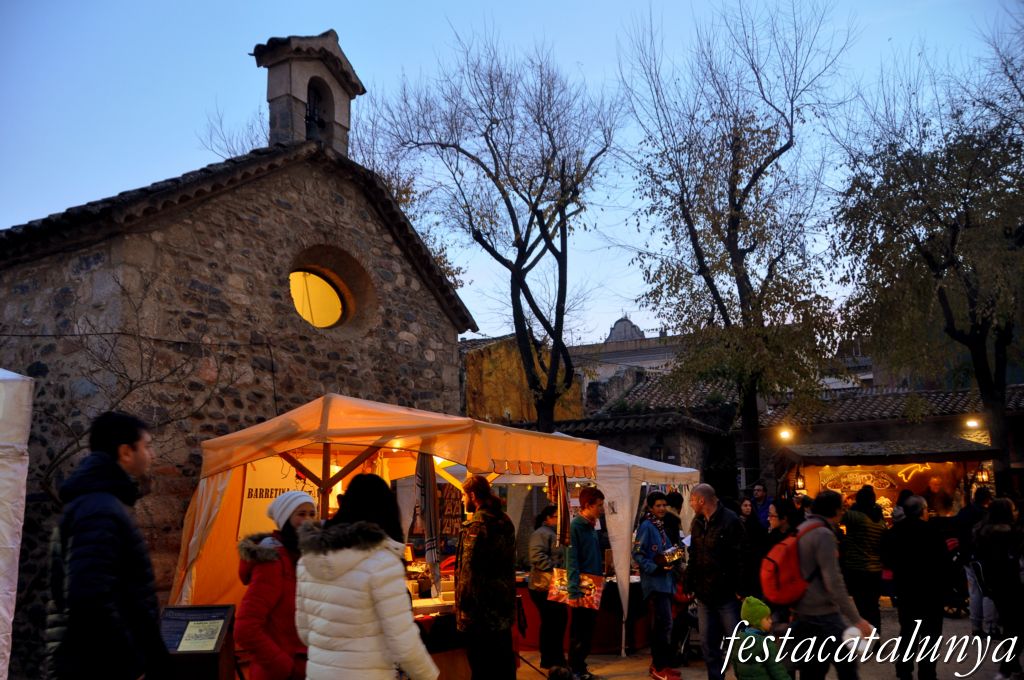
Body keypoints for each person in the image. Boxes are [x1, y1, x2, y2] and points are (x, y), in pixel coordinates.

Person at [45, 411, 168, 680]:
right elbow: (90, 597)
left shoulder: (97, 504)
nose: (152, 455)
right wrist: (130, 661)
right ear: (126, 452)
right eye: (146, 446)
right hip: (105, 667)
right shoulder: (99, 509)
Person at [295, 473, 438, 680]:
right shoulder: (382, 563)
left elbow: (304, 631)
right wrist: (429, 676)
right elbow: (404, 642)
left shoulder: (309, 559)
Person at [791, 490, 873, 680]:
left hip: (802, 611)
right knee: (847, 665)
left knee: (812, 670)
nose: (843, 512)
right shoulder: (824, 534)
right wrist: (857, 619)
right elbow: (833, 581)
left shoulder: (804, 528)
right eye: (842, 508)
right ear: (835, 510)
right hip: (824, 612)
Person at [236, 491, 316, 680]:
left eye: (312, 514)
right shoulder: (272, 563)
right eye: (301, 514)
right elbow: (246, 628)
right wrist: (284, 666)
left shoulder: (307, 558)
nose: (308, 520)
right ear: (285, 518)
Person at [455, 475, 517, 680]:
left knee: (482, 668)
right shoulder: (505, 520)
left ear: (472, 495)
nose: (463, 500)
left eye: (464, 495)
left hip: (480, 613)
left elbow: (468, 570)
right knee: (503, 666)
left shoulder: (477, 525)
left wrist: (463, 610)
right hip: (502, 609)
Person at [880, 495, 946, 680]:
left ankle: (904, 669)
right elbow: (943, 561)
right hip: (931, 591)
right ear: (923, 511)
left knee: (908, 631)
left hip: (905, 589)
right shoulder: (932, 531)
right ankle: (927, 672)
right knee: (930, 633)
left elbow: (886, 560)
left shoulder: (893, 533)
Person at [684, 483, 743, 680]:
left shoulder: (730, 521)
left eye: (692, 500)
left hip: (726, 593)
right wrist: (689, 579)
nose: (691, 504)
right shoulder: (698, 523)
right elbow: (694, 554)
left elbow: (740, 556)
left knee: (737, 642)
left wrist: (740, 587)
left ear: (702, 500)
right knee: (708, 644)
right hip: (704, 593)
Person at [974, 498, 1023, 679]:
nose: (1016, 512)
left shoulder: (983, 533)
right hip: (1013, 585)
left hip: (996, 586)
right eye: (1013, 509)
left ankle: (1012, 666)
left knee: (1011, 625)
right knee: (1015, 627)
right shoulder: (1011, 535)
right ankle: (1006, 667)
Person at [633, 492, 679, 680]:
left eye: (664, 505)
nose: (662, 509)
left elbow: (665, 550)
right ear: (651, 507)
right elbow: (637, 553)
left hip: (666, 582)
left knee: (666, 625)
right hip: (655, 584)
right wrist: (654, 567)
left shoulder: (659, 526)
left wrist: (674, 555)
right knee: (662, 625)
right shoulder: (646, 526)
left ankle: (661, 664)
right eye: (658, 505)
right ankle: (659, 667)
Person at [567, 485, 605, 680]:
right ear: (588, 505)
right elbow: (572, 559)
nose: (602, 509)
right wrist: (573, 591)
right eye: (599, 505)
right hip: (582, 587)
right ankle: (575, 669)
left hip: (593, 584)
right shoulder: (576, 527)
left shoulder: (591, 527)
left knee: (587, 630)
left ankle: (580, 667)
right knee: (580, 630)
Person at [839, 485, 885, 633]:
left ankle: (867, 637)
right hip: (875, 570)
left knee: (862, 608)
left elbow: (838, 514)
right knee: (873, 606)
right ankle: (875, 637)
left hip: (857, 568)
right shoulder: (880, 520)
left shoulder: (856, 517)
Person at [528, 505, 568, 669]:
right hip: (544, 585)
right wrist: (555, 568)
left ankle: (551, 658)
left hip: (553, 584)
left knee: (555, 622)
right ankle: (553, 658)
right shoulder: (542, 533)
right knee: (553, 622)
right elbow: (536, 556)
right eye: (557, 517)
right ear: (548, 518)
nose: (560, 520)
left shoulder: (553, 533)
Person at [955, 486, 996, 636]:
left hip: (967, 556)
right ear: (987, 499)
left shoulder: (963, 512)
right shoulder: (986, 515)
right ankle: (990, 626)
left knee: (974, 591)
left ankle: (976, 626)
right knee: (988, 590)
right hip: (982, 557)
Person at [729, 596, 790, 680]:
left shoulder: (738, 638)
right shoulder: (766, 643)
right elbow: (777, 670)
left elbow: (735, 663)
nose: (771, 621)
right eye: (767, 618)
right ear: (756, 621)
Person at [738, 498, 767, 597]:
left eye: (750, 506)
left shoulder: (755, 522)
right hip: (742, 560)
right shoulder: (736, 522)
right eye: (745, 506)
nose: (748, 508)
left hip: (754, 559)